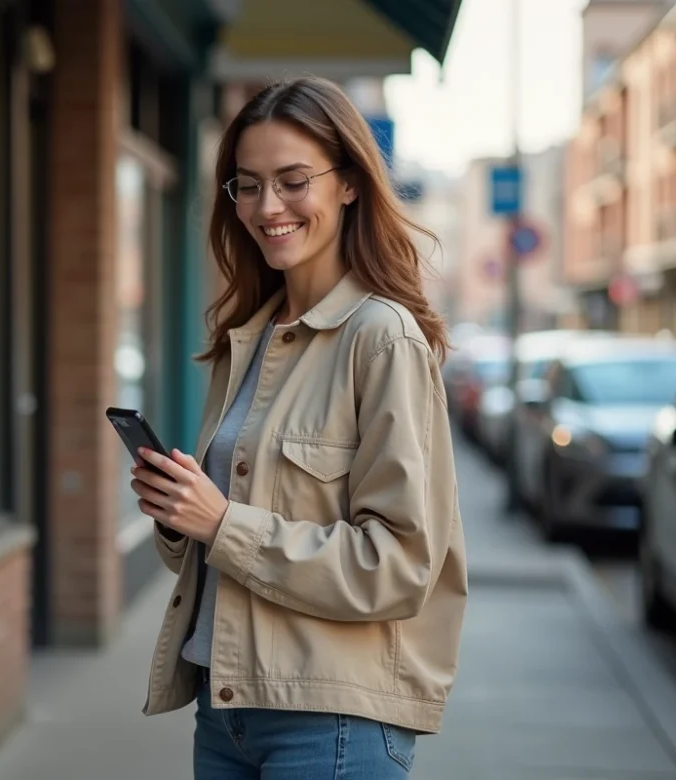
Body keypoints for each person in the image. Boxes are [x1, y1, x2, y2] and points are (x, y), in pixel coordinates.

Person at [128, 76, 468, 779]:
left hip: (331, 721)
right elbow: (225, 545)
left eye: (291, 181)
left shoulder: (382, 338)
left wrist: (223, 523)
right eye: (247, 186)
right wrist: (180, 514)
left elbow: (399, 567)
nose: (267, 207)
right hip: (224, 712)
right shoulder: (248, 338)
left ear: (347, 183)